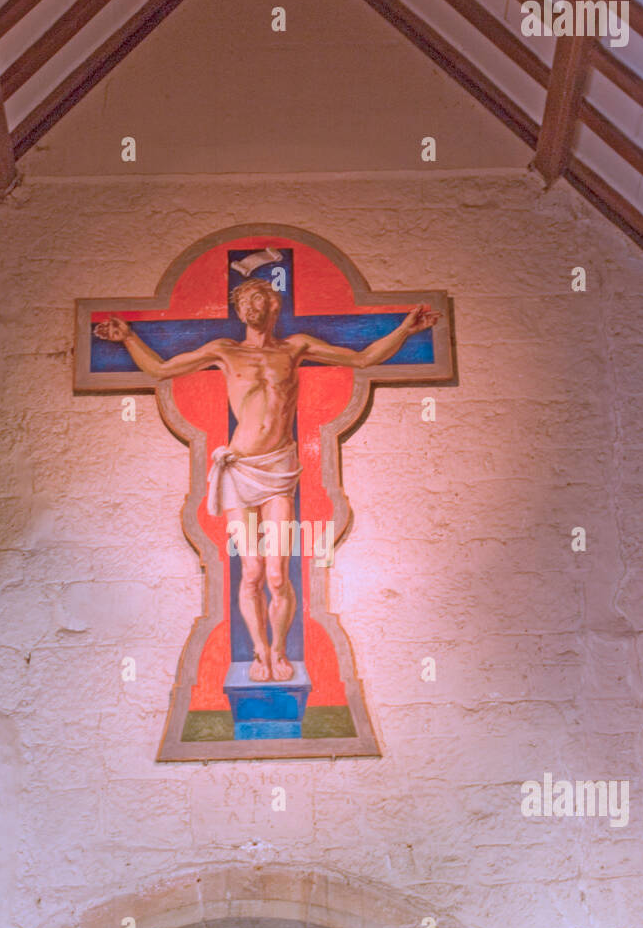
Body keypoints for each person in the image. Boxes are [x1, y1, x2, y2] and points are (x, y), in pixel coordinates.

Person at [98, 279, 439, 681]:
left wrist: (405, 329)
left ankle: (279, 650)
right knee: (253, 572)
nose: (250, 305)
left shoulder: (294, 348)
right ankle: (259, 653)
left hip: (279, 469)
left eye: (258, 297)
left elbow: (362, 359)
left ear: (272, 305)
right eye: (244, 301)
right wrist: (128, 338)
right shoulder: (223, 351)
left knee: (278, 574)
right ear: (239, 311)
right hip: (240, 469)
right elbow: (160, 368)